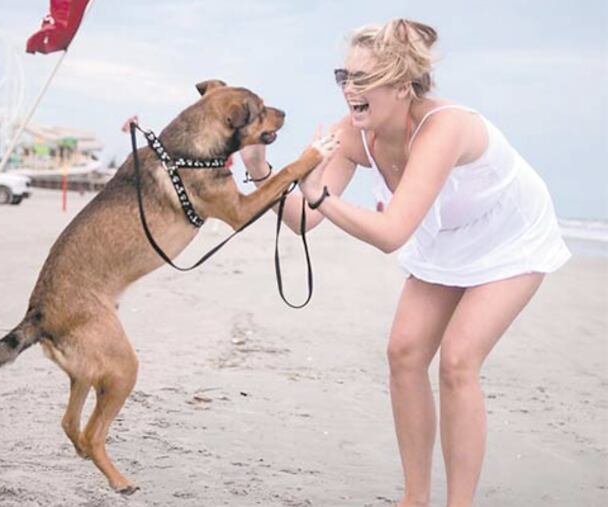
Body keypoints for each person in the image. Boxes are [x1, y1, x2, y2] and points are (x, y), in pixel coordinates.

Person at [240, 18, 570, 507]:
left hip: (508, 236)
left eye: (362, 80)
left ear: (401, 85)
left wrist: (320, 195)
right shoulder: (352, 134)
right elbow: (303, 219)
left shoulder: (445, 128)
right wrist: (260, 170)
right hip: (445, 237)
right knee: (404, 353)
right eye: (343, 77)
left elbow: (391, 233)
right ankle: (415, 499)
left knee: (458, 361)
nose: (349, 90)